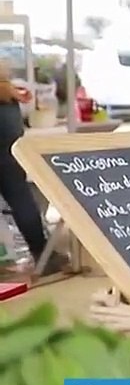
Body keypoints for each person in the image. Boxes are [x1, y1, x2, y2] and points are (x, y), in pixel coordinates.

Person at [0, 68, 59, 270]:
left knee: (21, 202)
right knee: (23, 202)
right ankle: (43, 254)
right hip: (10, 154)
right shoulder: (8, 95)